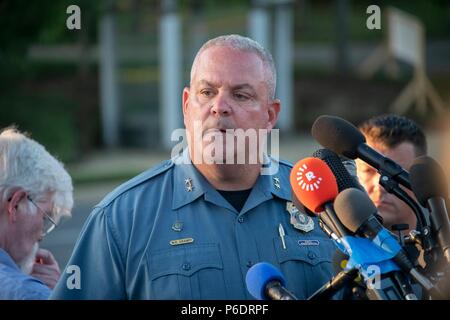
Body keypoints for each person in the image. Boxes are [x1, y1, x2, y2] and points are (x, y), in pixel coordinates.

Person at [51, 34, 335, 300]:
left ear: (270, 115)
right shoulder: (122, 218)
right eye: (207, 92)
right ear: (187, 106)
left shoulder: (322, 201)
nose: (219, 106)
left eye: (240, 95)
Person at [0, 127, 73, 299]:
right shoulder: (28, 293)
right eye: (45, 216)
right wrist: (61, 293)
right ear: (15, 203)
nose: (41, 235)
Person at [356, 114, 427, 235]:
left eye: (397, 173)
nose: (380, 185)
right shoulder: (322, 249)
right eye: (368, 171)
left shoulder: (446, 249)